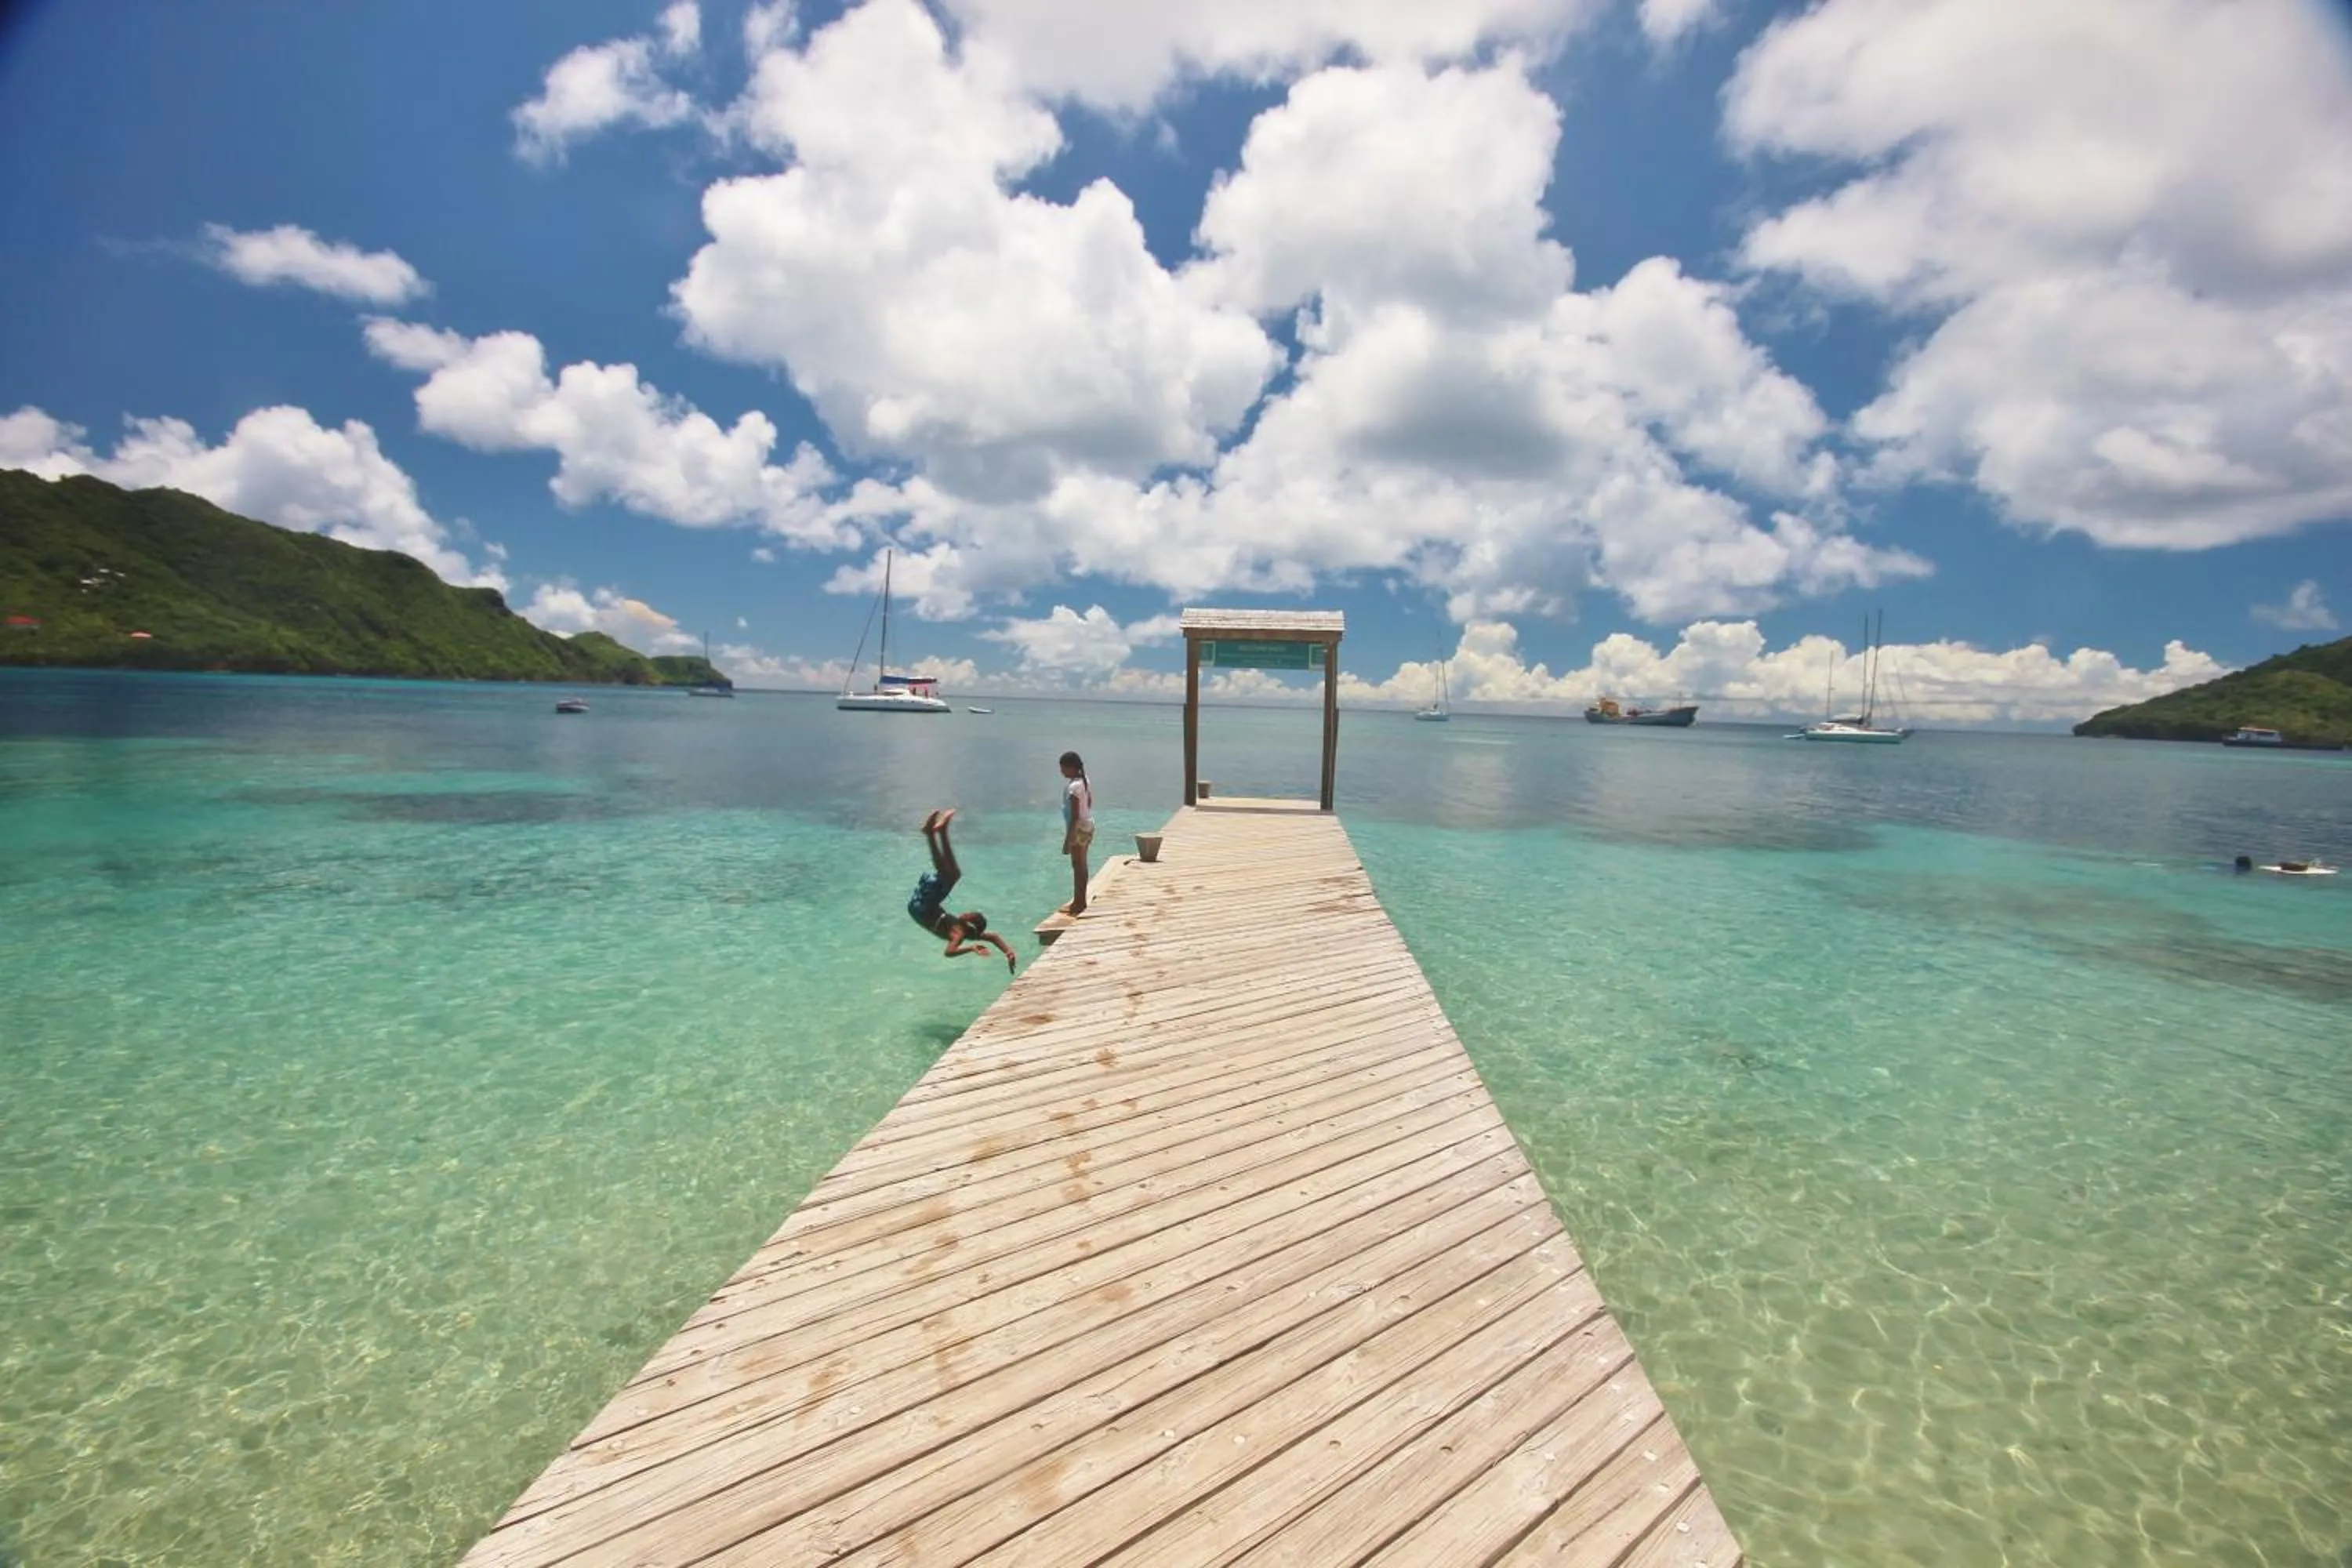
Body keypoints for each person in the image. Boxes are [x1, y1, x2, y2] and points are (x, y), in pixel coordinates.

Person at [909, 809, 1015, 971]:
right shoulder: (972, 932)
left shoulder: (958, 934)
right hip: (929, 906)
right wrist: (1008, 952)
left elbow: (949, 952)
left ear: (968, 922)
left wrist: (971, 949)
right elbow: (993, 937)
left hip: (921, 908)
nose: (963, 913)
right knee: (954, 875)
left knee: (947, 875)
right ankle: (939, 832)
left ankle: (933, 834)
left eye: (967, 915)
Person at [1058, 750, 1094, 916]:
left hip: (1078, 829)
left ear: (1072, 768)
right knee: (1081, 865)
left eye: (1063, 768)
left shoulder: (1074, 787)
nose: (1061, 771)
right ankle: (1079, 901)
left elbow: (1075, 816)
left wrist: (1068, 839)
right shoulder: (1084, 781)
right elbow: (1090, 802)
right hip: (1088, 826)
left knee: (1077, 866)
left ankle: (1079, 904)